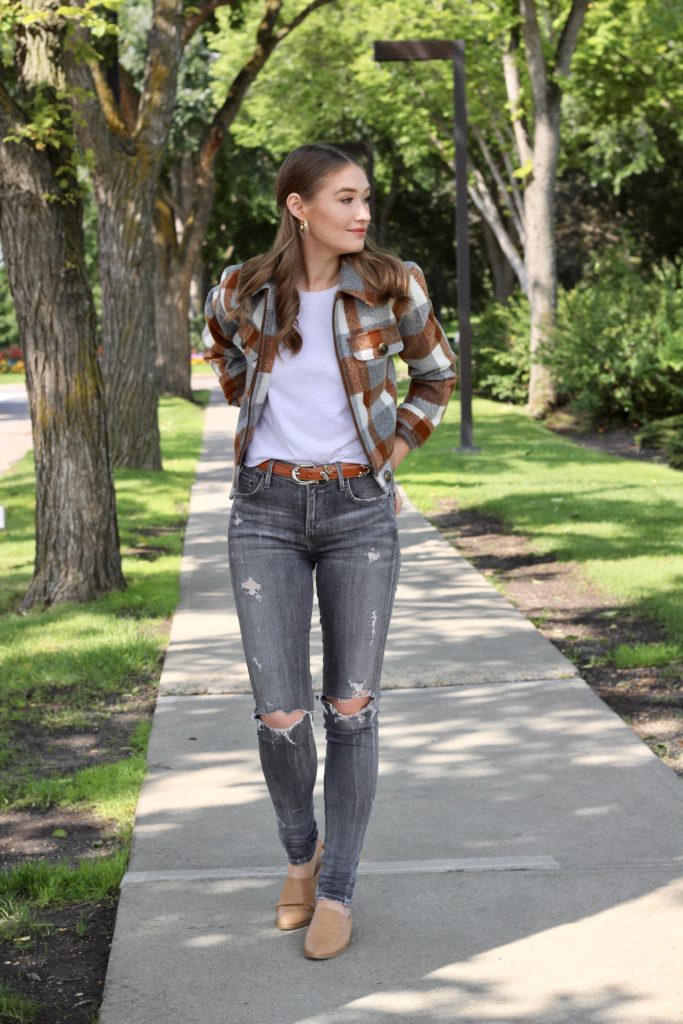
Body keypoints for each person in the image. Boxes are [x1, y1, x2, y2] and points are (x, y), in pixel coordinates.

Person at [203, 142, 457, 960]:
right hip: (264, 508)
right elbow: (227, 356)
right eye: (345, 198)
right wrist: (260, 418)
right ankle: (299, 854)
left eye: (365, 198)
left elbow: (435, 375)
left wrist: (392, 451)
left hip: (358, 511)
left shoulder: (391, 283)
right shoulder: (242, 287)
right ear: (297, 206)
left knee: (350, 708)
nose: (361, 213)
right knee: (280, 713)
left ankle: (338, 887)